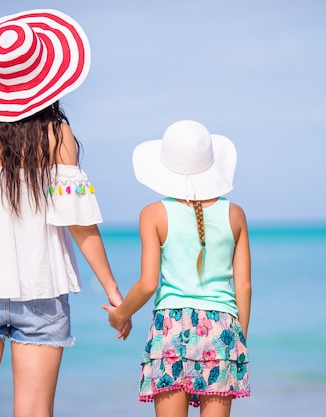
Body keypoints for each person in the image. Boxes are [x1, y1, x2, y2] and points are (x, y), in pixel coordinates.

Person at [0, 9, 131, 417]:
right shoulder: (57, 134)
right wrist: (113, 291)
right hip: (43, 289)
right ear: (45, 76)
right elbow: (79, 222)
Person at [103, 120, 251, 417]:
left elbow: (147, 284)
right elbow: (244, 287)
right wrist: (238, 341)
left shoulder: (153, 214)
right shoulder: (234, 214)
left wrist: (120, 314)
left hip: (171, 327)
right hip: (221, 326)